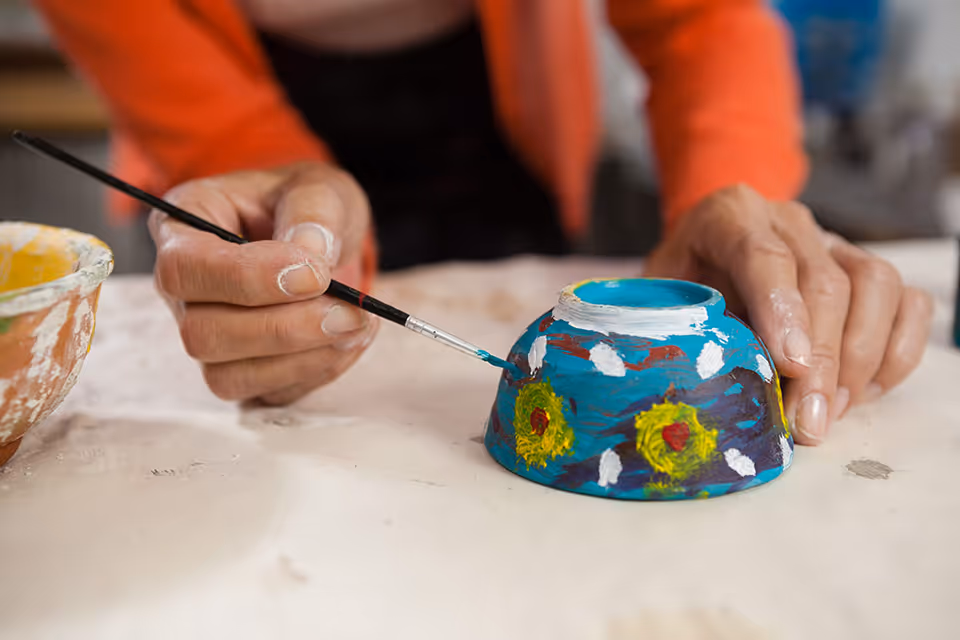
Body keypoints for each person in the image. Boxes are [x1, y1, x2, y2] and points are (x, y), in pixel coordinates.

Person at [34, 0, 932, 446]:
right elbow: (226, 138)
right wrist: (284, 242)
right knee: (281, 356)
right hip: (232, 149)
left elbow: (699, 18)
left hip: (501, 130)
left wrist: (733, 197)